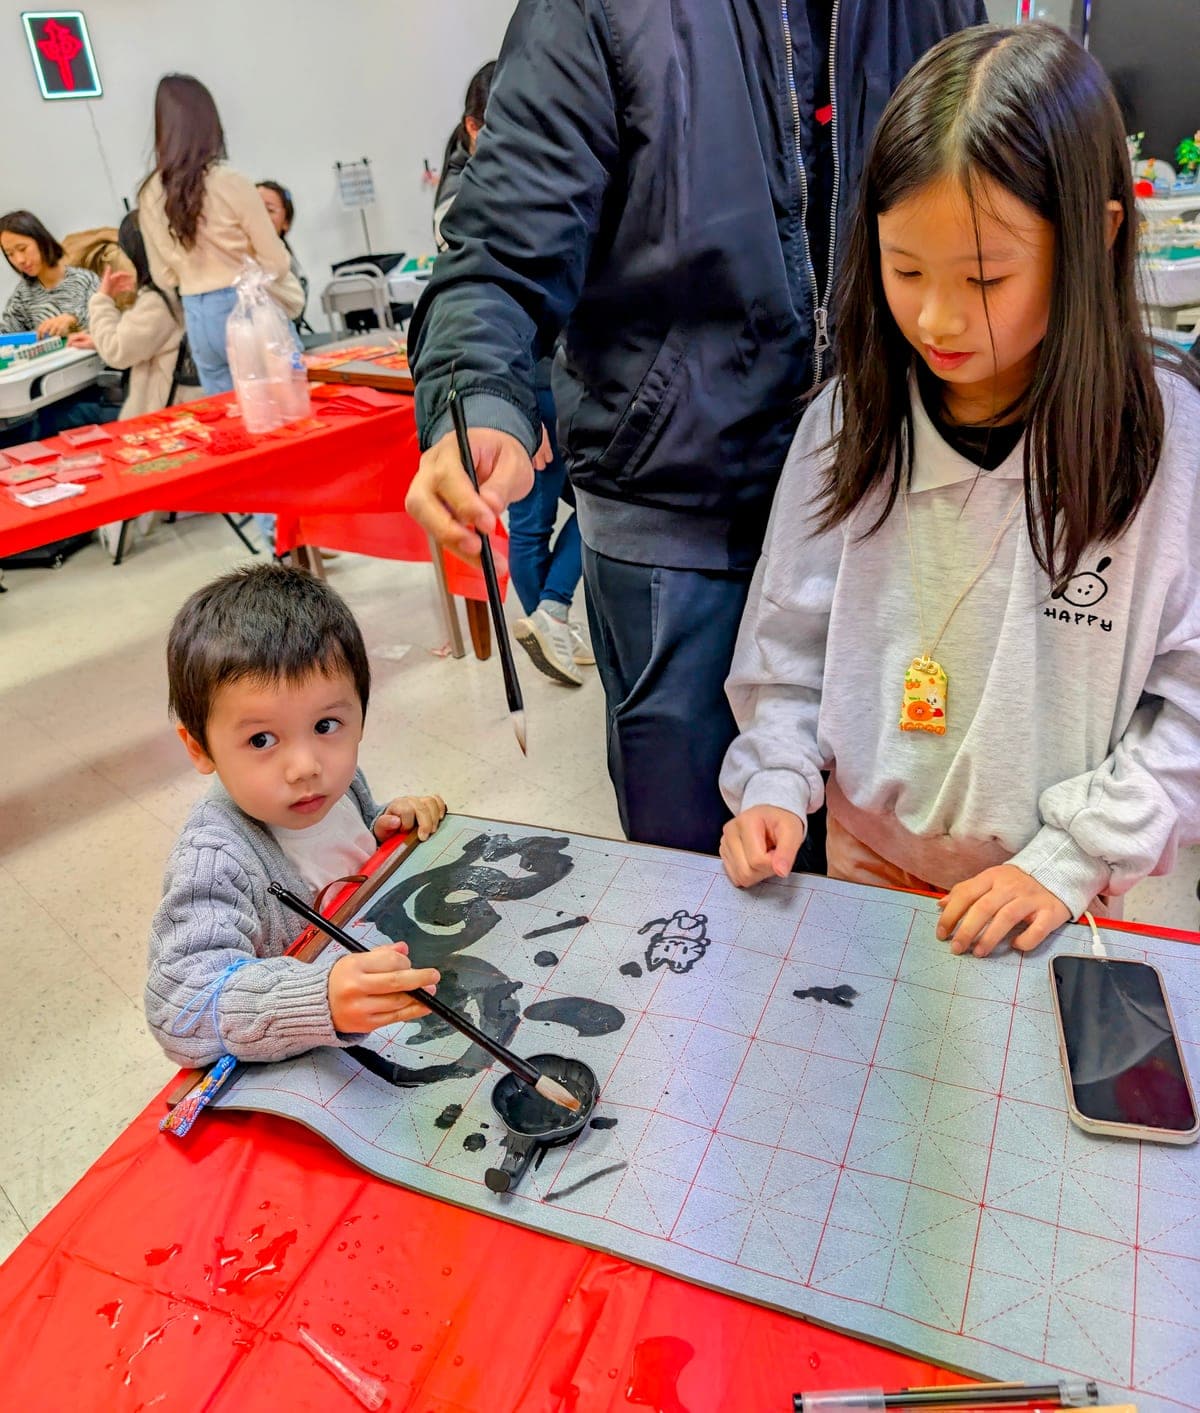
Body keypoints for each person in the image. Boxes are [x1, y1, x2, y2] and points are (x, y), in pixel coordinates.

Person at [405, 0, 985, 854]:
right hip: (679, 529)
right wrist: (477, 398)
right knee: (701, 885)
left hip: (891, 504)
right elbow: (497, 247)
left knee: (902, 867)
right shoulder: (603, 13)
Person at [718, 24, 1200, 959]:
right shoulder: (849, 424)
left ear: (1094, 237)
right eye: (905, 271)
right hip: (870, 867)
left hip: (1069, 898)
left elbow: (1189, 709)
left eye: (984, 278)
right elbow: (785, 657)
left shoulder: (1163, 440)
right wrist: (775, 783)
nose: (935, 318)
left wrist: (1070, 859)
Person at [145, 564, 447, 1067]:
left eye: (327, 724)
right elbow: (180, 1010)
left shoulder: (340, 785)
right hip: (311, 1063)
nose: (306, 767)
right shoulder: (216, 858)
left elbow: (337, 854)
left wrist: (381, 827)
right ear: (199, 747)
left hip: (385, 1007)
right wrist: (317, 999)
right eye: (261, 739)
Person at [435, 61, 591, 686]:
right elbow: (493, 316)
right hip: (529, 384)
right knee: (543, 514)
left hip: (554, 378)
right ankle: (551, 612)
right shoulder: (471, 204)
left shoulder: (527, 182)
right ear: (475, 128)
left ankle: (549, 618)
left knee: (566, 510)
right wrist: (520, 407)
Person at [139, 74, 303, 396]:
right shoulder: (229, 181)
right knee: (287, 407)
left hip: (197, 318)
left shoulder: (149, 194)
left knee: (230, 422)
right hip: (246, 308)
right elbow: (276, 262)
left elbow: (162, 274)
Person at [73, 210, 183, 418]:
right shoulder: (185, 286)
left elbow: (117, 352)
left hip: (164, 412)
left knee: (65, 416)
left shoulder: (158, 299)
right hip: (184, 401)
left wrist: (102, 300)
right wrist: (100, 339)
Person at [0, 210, 98, 337]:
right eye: (10, 254)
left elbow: (110, 322)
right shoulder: (21, 297)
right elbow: (5, 336)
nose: (19, 260)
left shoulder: (85, 281)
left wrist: (73, 321)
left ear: (41, 240)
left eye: (22, 249)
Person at [257, 180, 310, 330]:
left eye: (269, 210)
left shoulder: (286, 265)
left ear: (286, 222)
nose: (259, 216)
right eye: (254, 208)